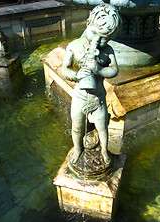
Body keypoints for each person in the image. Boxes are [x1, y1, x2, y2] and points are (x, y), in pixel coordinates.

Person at [62, 4, 121, 166]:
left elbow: (114, 70)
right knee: (77, 125)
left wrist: (100, 70)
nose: (99, 41)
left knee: (102, 126)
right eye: (96, 34)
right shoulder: (74, 46)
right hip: (80, 97)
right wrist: (76, 75)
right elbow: (64, 69)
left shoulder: (107, 50)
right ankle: (78, 148)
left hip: (99, 97)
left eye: (105, 39)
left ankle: (104, 150)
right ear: (89, 24)